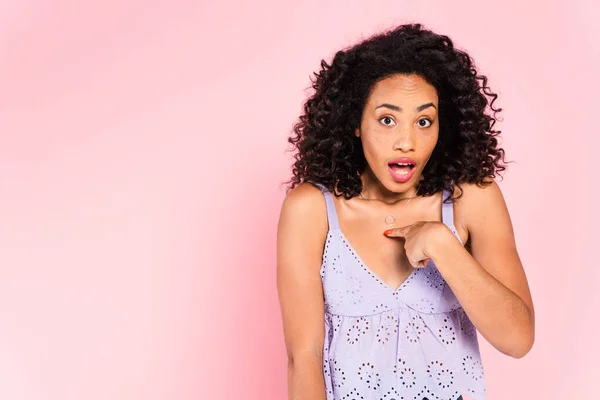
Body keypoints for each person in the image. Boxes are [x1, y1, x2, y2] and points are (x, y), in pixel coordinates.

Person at [276, 23, 534, 400]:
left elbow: (518, 339)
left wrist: (441, 244)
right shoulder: (311, 209)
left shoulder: (470, 199)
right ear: (355, 124)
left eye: (424, 121)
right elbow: (305, 358)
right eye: (387, 119)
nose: (406, 141)